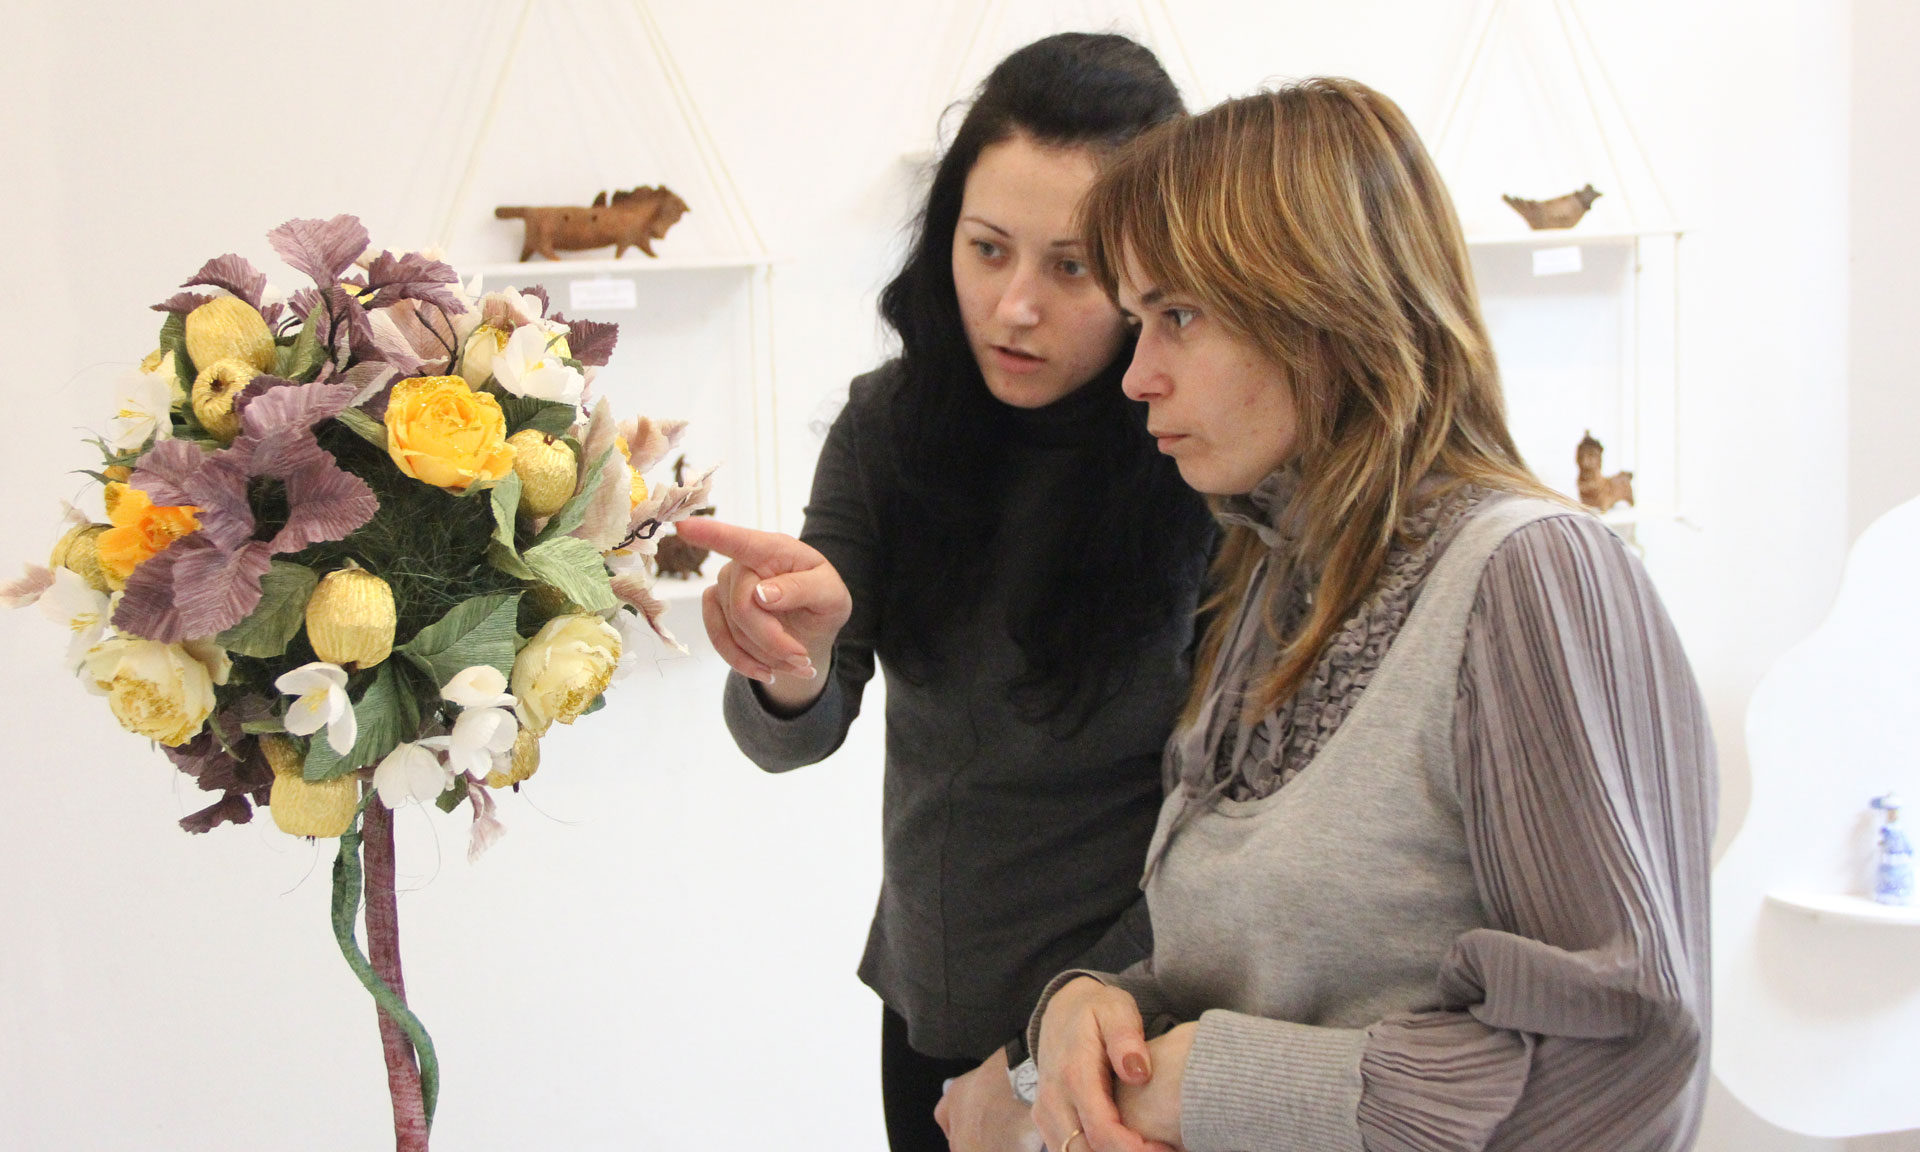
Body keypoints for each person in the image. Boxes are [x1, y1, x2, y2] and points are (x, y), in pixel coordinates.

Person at [1025, 79, 1716, 1152]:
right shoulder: (1273, 569)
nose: (1139, 377)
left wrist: (1221, 1086)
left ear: (1320, 310)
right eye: (1138, 322)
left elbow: (1625, 1060)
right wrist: (1093, 1005)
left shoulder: (1532, 574)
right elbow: (1267, 970)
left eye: (1178, 317)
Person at [673, 33, 1215, 1152]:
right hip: (935, 1003)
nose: (1014, 307)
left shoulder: (1200, 450)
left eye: (1072, 268)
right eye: (987, 249)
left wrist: (1033, 1070)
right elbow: (787, 736)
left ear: (1152, 274)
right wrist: (790, 667)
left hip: (1138, 1024)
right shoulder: (890, 426)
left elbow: (1237, 824)